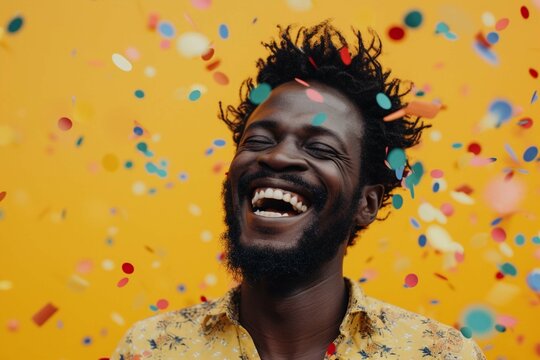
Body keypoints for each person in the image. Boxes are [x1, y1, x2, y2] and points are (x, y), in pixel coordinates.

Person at [112, 22, 486, 360]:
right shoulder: (150, 348)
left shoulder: (442, 354)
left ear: (366, 203)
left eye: (320, 148)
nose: (277, 156)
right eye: (258, 140)